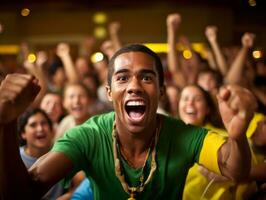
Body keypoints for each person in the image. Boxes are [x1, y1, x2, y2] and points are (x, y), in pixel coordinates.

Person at [0, 44, 256, 199]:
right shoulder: (88, 136)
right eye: (122, 78)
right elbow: (22, 194)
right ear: (109, 92)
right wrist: (7, 124)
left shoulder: (184, 135)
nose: (134, 86)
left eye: (146, 78)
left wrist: (237, 135)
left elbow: (235, 169)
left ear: (162, 91)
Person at [17, 108, 64, 199]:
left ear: (51, 130)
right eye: (33, 125)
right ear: (23, 133)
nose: (40, 128)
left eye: (44, 123)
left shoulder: (61, 154)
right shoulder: (15, 159)